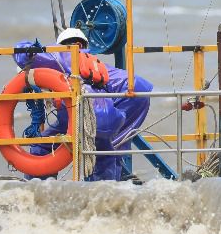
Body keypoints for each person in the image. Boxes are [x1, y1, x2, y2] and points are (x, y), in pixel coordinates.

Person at [13, 27, 153, 181]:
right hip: (128, 100)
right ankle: (110, 190)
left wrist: (28, 52)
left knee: (42, 146)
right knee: (110, 148)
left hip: (86, 112)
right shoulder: (93, 63)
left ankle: (38, 190)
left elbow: (23, 51)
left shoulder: (60, 55)